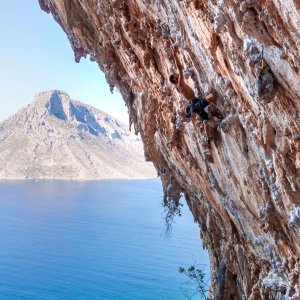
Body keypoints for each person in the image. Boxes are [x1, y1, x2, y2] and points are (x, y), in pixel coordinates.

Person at [169, 45, 214, 120]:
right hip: (194, 104)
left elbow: (185, 97)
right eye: (175, 75)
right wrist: (174, 54)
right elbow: (180, 68)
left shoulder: (177, 88)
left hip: (194, 102)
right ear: (174, 79)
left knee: (206, 118)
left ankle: (209, 116)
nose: (176, 74)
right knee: (211, 96)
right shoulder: (179, 83)